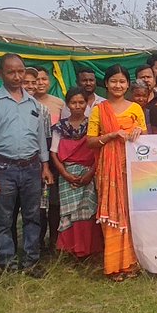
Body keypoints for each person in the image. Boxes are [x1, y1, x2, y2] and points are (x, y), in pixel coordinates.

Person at [0, 54, 54, 278]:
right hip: (3, 168)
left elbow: (40, 138)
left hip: (31, 168)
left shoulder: (34, 104)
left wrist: (45, 166)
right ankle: (7, 263)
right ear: (0, 74)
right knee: (4, 219)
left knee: (32, 217)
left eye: (20, 71)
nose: (17, 76)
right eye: (11, 72)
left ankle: (31, 261)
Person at [87, 65, 146, 280]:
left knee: (130, 212)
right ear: (106, 84)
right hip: (108, 169)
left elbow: (145, 140)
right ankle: (113, 265)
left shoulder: (136, 109)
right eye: (113, 81)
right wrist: (112, 135)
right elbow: (91, 141)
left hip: (130, 167)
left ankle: (131, 263)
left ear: (128, 84)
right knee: (112, 212)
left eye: (122, 81)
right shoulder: (98, 109)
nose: (118, 85)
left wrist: (139, 133)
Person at [50, 88, 102, 259]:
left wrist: (90, 173)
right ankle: (70, 249)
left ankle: (88, 249)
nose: (77, 106)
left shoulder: (93, 125)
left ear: (87, 104)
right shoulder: (59, 127)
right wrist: (64, 174)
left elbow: (98, 152)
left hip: (89, 174)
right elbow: (54, 153)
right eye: (73, 102)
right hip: (67, 175)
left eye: (81, 102)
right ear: (67, 104)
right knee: (69, 213)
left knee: (88, 212)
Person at [32, 68, 64, 254]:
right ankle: (37, 241)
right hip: (33, 159)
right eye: (36, 79)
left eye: (44, 79)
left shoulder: (59, 103)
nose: (40, 82)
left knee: (54, 202)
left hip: (54, 159)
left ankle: (54, 240)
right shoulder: (27, 102)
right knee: (36, 204)